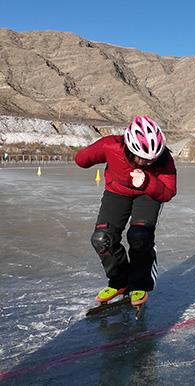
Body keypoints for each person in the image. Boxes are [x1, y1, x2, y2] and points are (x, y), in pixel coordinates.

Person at [75, 115, 177, 307]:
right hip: (117, 192)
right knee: (102, 239)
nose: (146, 163)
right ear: (129, 149)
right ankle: (119, 281)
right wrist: (89, 152)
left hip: (148, 193)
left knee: (139, 236)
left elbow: (169, 191)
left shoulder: (164, 160)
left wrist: (147, 181)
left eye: (151, 160)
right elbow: (81, 160)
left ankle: (140, 282)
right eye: (141, 158)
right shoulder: (111, 146)